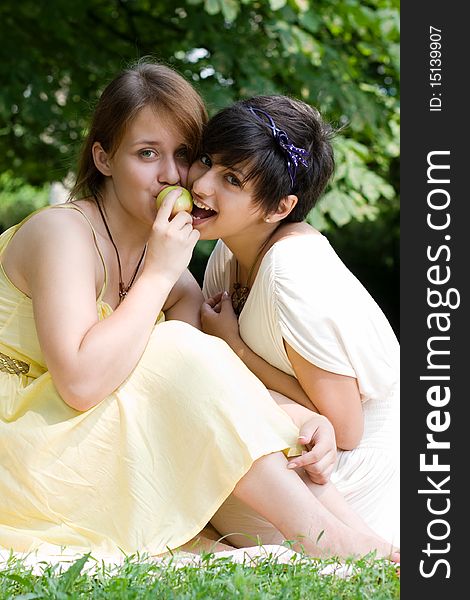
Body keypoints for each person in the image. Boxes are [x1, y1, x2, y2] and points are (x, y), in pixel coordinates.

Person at [0, 61, 398, 562]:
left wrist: (300, 415)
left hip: (86, 449)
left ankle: (356, 536)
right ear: (103, 158)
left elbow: (199, 392)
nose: (172, 175)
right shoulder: (62, 234)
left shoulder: (164, 259)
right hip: (20, 446)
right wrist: (161, 274)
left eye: (184, 155)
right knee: (172, 343)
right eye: (147, 154)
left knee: (176, 348)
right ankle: (330, 538)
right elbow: (80, 384)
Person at [188, 94, 400, 548]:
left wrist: (235, 347)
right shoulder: (228, 252)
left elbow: (345, 427)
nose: (201, 185)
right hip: (296, 455)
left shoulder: (291, 272)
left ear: (279, 207)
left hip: (345, 477)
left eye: (230, 179)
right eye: (205, 160)